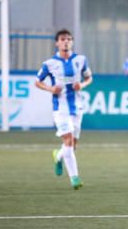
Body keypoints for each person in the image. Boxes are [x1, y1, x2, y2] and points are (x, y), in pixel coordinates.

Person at [34, 29, 93, 190]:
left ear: (72, 42)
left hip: (77, 107)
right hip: (60, 108)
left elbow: (89, 77)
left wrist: (82, 85)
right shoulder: (49, 63)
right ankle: (75, 178)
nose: (66, 41)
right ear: (57, 43)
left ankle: (58, 156)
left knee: (72, 146)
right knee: (67, 141)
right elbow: (37, 82)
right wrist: (50, 89)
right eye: (62, 39)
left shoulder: (81, 60)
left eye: (68, 39)